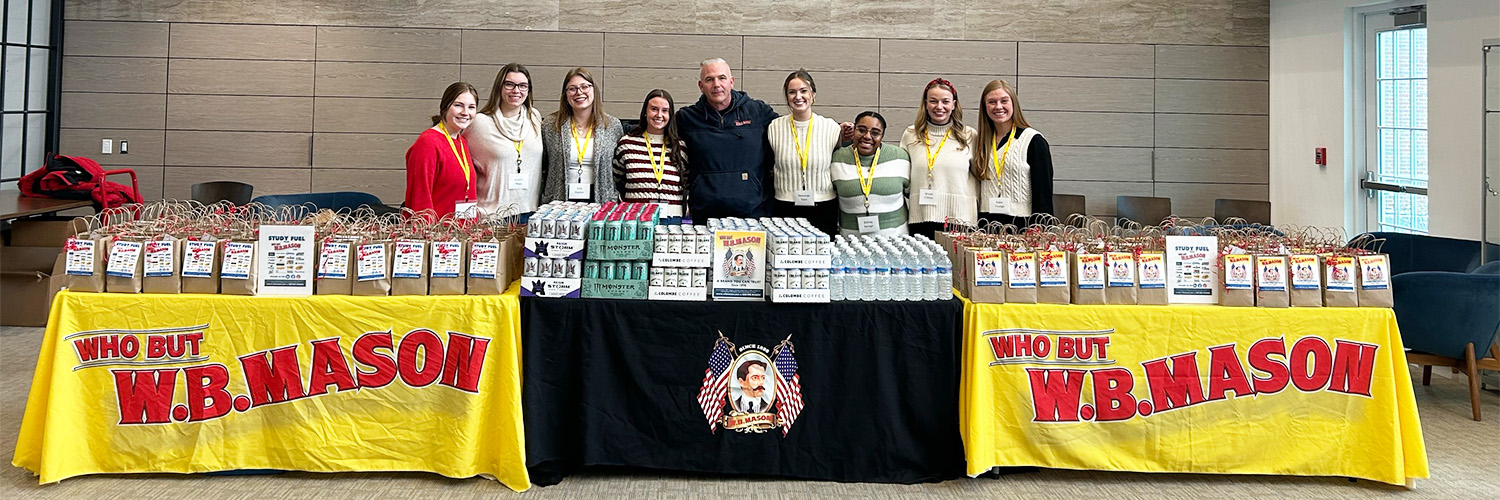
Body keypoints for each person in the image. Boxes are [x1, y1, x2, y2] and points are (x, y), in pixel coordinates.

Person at [675, 58, 780, 220]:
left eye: (722, 78)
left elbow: (790, 133)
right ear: (701, 86)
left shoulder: (758, 112)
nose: (716, 84)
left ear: (731, 82)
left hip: (754, 214)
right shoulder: (686, 118)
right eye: (709, 79)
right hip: (705, 216)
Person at [465, 63, 545, 217]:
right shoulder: (479, 123)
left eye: (523, 86)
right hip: (493, 216)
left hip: (530, 213)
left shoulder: (534, 117)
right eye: (509, 84)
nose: (516, 90)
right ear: (499, 87)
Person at [768, 69, 842, 235]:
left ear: (813, 94)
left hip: (823, 206)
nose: (798, 96)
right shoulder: (774, 127)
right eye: (792, 92)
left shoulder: (831, 127)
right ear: (787, 97)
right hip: (784, 206)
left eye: (803, 91)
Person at [970, 79, 1053, 227]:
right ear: (984, 106)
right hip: (986, 225)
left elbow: (1043, 197)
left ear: (1013, 103)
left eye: (1004, 101)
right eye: (992, 102)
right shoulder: (981, 141)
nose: (998, 106)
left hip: (1022, 226)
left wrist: (1040, 231)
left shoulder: (1033, 140)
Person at [902, 78, 978, 238]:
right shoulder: (911, 135)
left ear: (954, 104)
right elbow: (903, 179)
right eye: (933, 101)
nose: (939, 107)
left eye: (945, 101)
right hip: (921, 218)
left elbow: (980, 179)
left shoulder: (969, 135)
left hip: (960, 221)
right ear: (925, 104)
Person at [541, 68, 624, 204]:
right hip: (558, 200)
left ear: (594, 90)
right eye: (572, 89)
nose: (579, 92)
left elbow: (618, 169)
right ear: (565, 95)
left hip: (601, 199)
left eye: (585, 87)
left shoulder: (612, 125)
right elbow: (543, 166)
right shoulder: (550, 125)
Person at [405, 81, 479, 221]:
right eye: (458, 105)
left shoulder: (461, 142)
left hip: (462, 234)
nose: (465, 112)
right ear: (445, 107)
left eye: (471, 107)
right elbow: (420, 197)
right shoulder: (428, 142)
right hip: (438, 236)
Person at [830, 111, 911, 236]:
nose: (867, 136)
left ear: (882, 136)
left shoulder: (900, 157)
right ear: (854, 131)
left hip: (896, 243)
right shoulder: (837, 158)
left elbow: (911, 192)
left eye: (875, 133)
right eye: (861, 130)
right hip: (850, 244)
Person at [613, 89, 690, 220]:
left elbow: (687, 182)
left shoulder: (680, 146)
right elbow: (615, 180)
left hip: (671, 219)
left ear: (670, 115)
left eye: (665, 110)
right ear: (645, 113)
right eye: (654, 109)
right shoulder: (627, 143)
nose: (659, 115)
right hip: (635, 218)